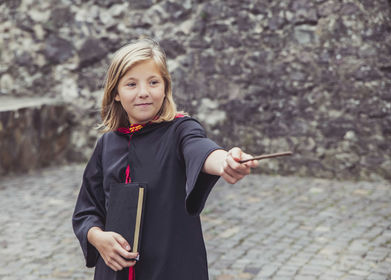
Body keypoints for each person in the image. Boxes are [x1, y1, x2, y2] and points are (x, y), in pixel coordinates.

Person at [72, 38, 258, 280]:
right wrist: (97, 237)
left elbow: (200, 149)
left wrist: (225, 161)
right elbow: (86, 211)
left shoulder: (180, 130)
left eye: (153, 82)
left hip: (171, 268)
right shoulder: (106, 145)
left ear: (165, 87)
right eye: (131, 84)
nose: (143, 93)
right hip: (114, 271)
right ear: (115, 93)